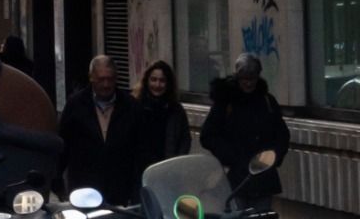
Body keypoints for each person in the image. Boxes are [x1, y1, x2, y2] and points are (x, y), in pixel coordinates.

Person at [201, 54, 290, 206]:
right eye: (244, 79)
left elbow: (282, 135)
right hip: (238, 176)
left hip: (263, 175)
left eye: (252, 79)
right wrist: (230, 156)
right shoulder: (226, 102)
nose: (248, 84)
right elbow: (208, 135)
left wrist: (272, 156)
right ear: (238, 78)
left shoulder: (267, 101)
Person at [57, 55, 138, 204]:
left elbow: (138, 149)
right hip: (84, 189)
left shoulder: (130, 106)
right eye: (101, 79)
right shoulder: (75, 105)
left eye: (110, 79)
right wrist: (58, 186)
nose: (106, 85)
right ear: (91, 78)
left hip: (119, 190)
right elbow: (63, 146)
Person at [131, 60, 191, 189]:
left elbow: (185, 140)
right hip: (140, 175)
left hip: (169, 175)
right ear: (147, 81)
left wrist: (175, 165)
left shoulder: (176, 110)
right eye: (153, 80)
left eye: (162, 81)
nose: (157, 85)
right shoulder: (135, 107)